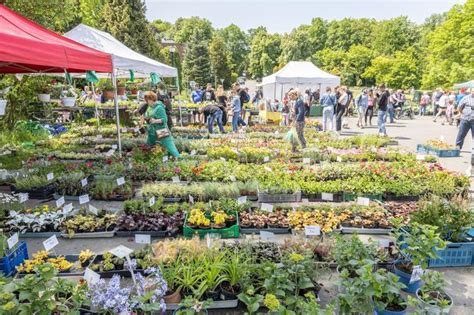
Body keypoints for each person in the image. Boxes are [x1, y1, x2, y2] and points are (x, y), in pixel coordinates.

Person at [144, 91, 180, 158]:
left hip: (161, 130)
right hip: (152, 131)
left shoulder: (159, 107)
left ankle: (179, 159)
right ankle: (146, 160)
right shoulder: (150, 107)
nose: (146, 102)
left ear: (151, 99)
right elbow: (147, 115)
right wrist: (146, 118)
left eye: (147, 100)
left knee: (169, 146)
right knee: (148, 146)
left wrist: (155, 121)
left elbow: (164, 119)